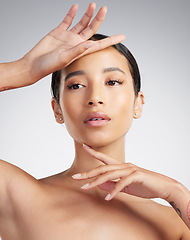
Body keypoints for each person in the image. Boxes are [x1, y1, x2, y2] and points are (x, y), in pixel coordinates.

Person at [0, 3, 189, 240]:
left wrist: (177, 193)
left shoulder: (174, 223)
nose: (95, 98)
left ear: (138, 104)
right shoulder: (14, 196)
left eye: (112, 82)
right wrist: (22, 69)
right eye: (76, 85)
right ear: (57, 109)